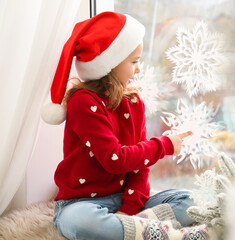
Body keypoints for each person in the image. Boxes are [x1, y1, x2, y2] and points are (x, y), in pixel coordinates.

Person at [41, 12, 214, 240]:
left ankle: (131, 228)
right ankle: (168, 234)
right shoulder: (83, 102)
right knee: (80, 224)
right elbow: (115, 159)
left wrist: (129, 209)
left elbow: (139, 167)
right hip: (81, 203)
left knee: (193, 200)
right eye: (134, 62)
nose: (138, 70)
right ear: (110, 63)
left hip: (125, 199)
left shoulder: (133, 102)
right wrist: (164, 146)